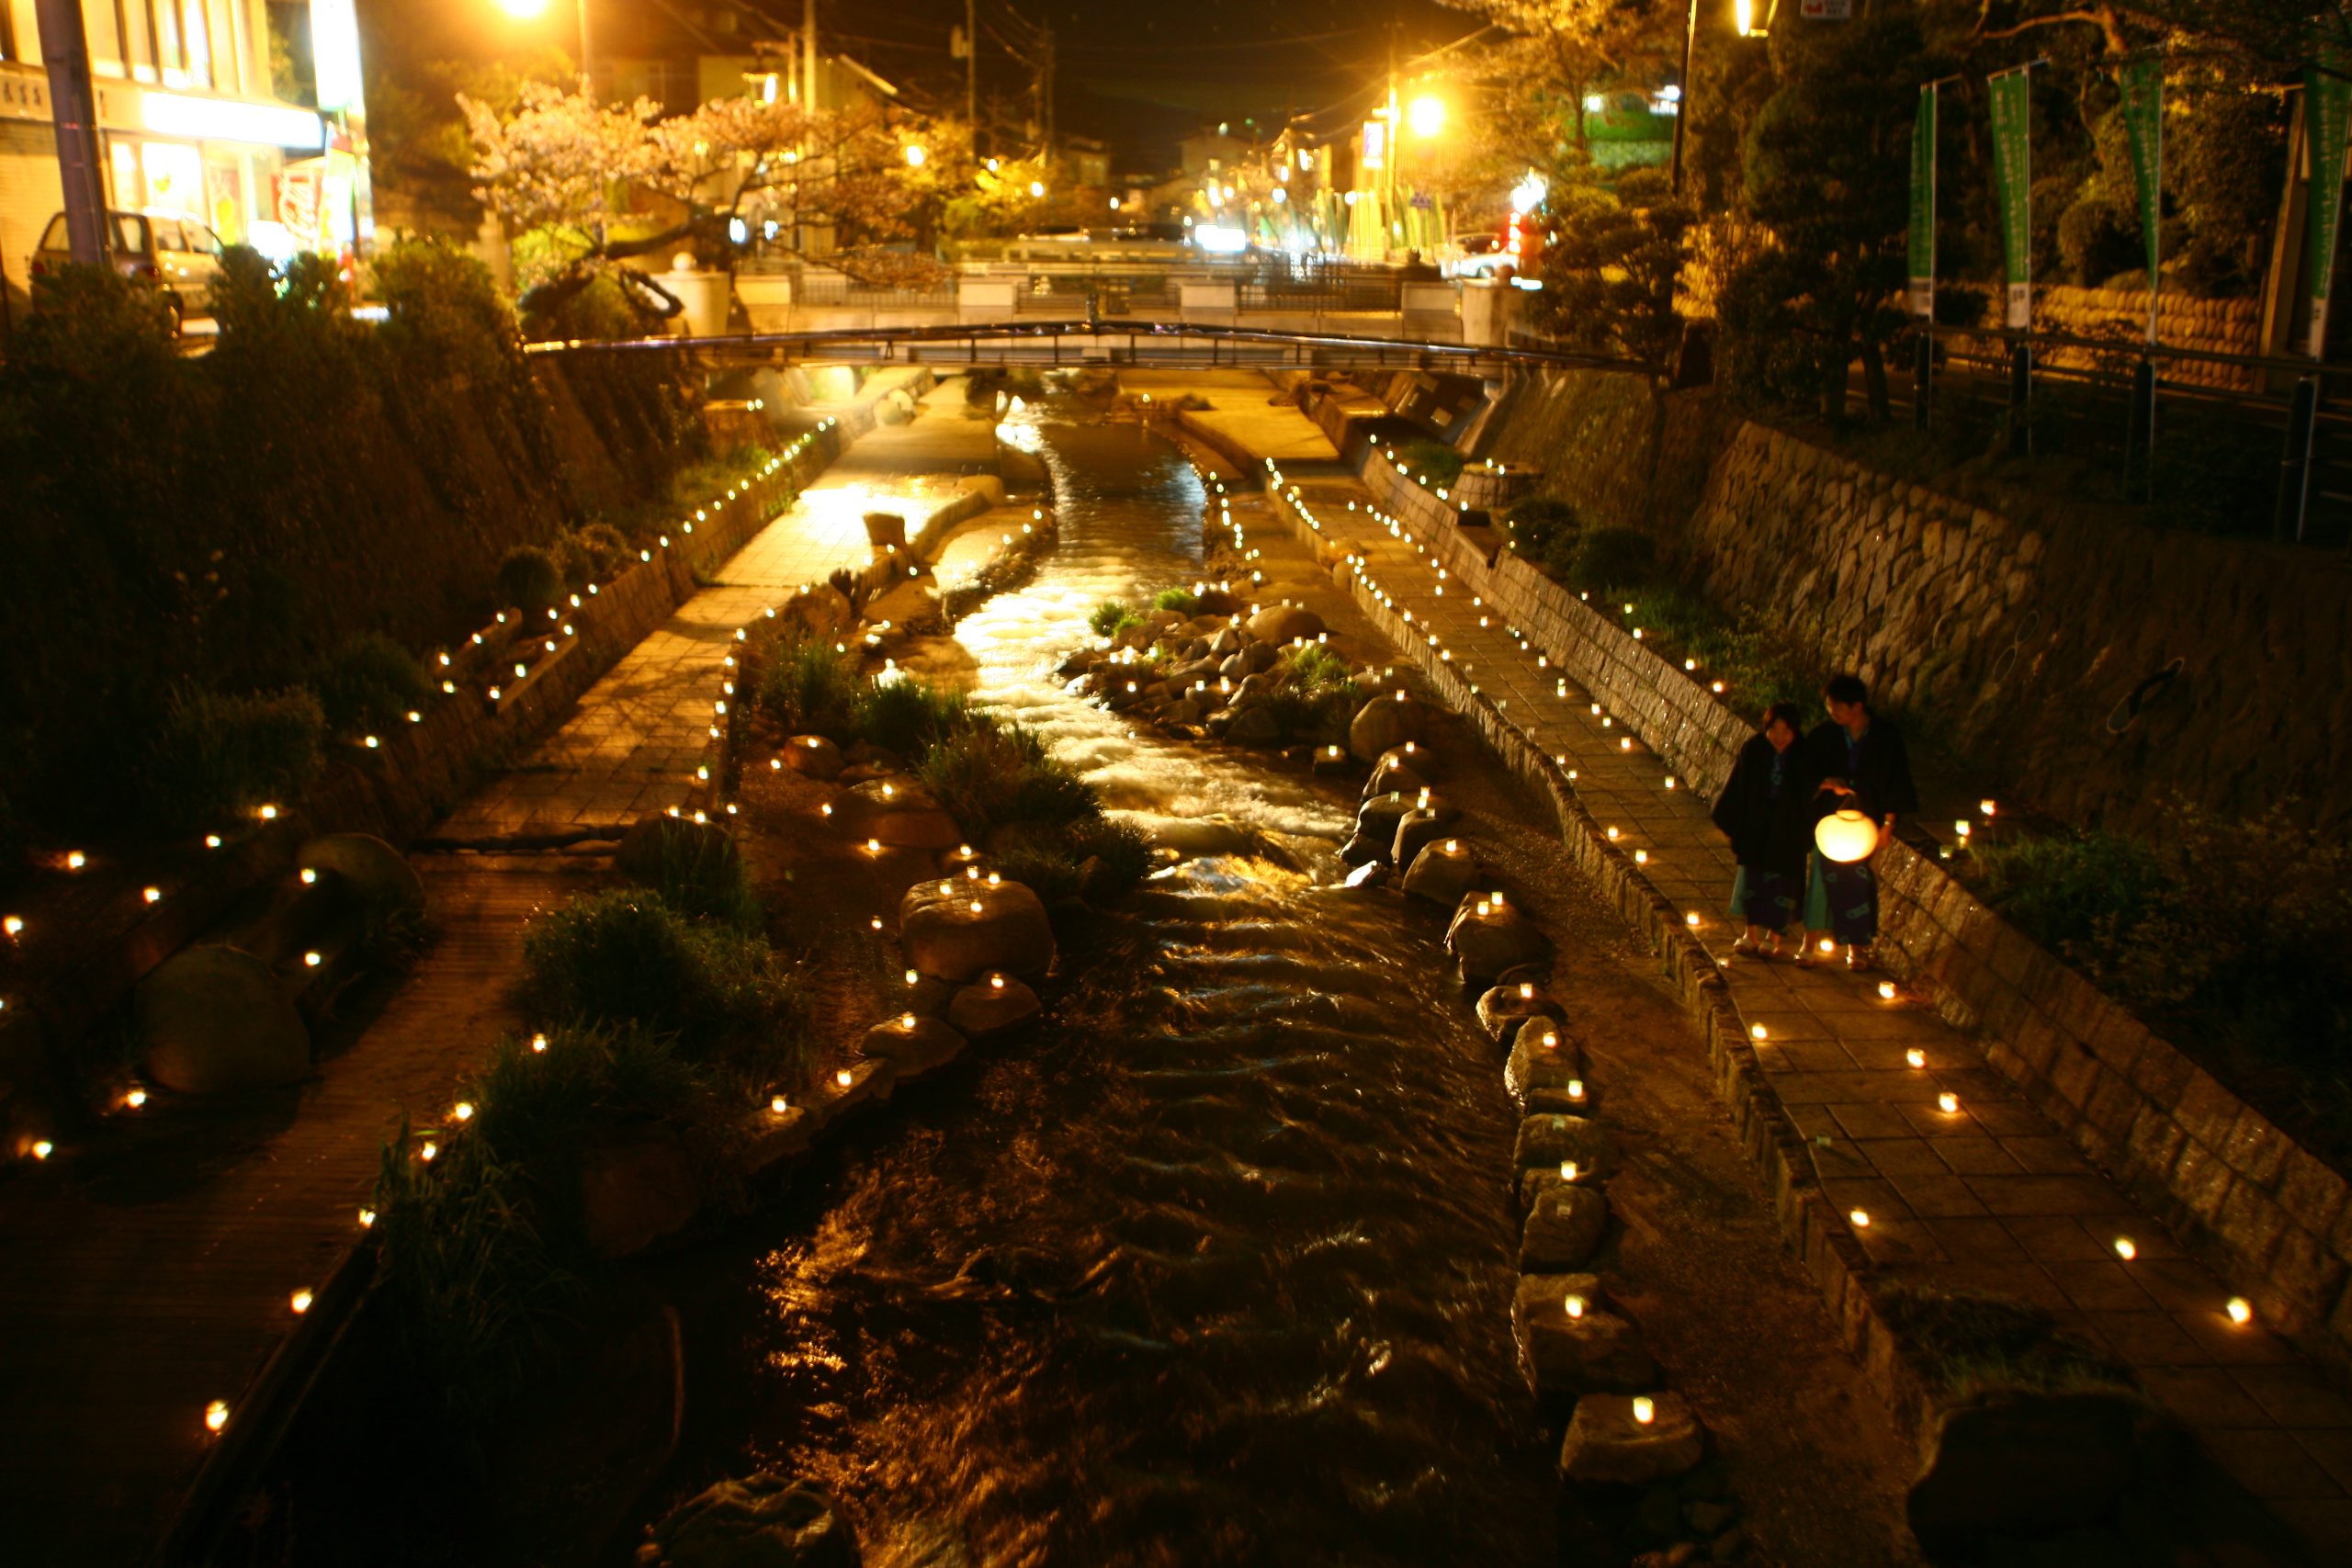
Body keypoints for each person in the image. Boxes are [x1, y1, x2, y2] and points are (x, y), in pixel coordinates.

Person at [1798, 674, 1919, 971]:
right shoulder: (1825, 735)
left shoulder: (1885, 737)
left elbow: (1896, 781)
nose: (1832, 713)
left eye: (1837, 707)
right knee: (1820, 881)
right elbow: (1803, 771)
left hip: (1867, 820)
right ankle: (1809, 942)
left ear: (1857, 706)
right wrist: (1826, 782)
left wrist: (1888, 824)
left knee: (1861, 883)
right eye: (1829, 707)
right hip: (1831, 819)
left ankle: (1857, 947)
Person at [1710, 702, 1811, 958]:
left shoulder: (1802, 755)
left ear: (1795, 732)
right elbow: (1738, 787)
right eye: (1773, 730)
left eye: (1786, 731)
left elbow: (1810, 794)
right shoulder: (1754, 749)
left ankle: (1773, 937)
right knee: (1753, 879)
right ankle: (1750, 934)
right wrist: (1730, 822)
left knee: (1781, 884)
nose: (1779, 737)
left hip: (1786, 830)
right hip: (1757, 826)